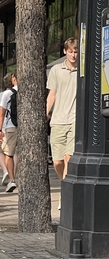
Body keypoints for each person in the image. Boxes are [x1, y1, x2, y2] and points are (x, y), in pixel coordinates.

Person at [47, 37, 78, 209]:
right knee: (58, 161)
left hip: (75, 120)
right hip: (58, 120)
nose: (73, 55)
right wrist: (46, 111)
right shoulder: (56, 70)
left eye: (76, 51)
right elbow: (52, 93)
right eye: (71, 51)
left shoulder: (82, 70)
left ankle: (64, 196)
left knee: (69, 158)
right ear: (65, 51)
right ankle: (65, 184)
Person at [0, 72, 18, 193]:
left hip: (10, 127)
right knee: (19, 154)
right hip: (23, 127)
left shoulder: (7, 94)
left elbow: (1, 113)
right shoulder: (27, 92)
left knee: (8, 154)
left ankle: (12, 179)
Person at [0, 73, 14, 185]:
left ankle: (6, 171)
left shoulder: (2, 95)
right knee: (14, 152)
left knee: (0, 150)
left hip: (4, 127)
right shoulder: (19, 93)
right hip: (16, 127)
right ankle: (13, 174)